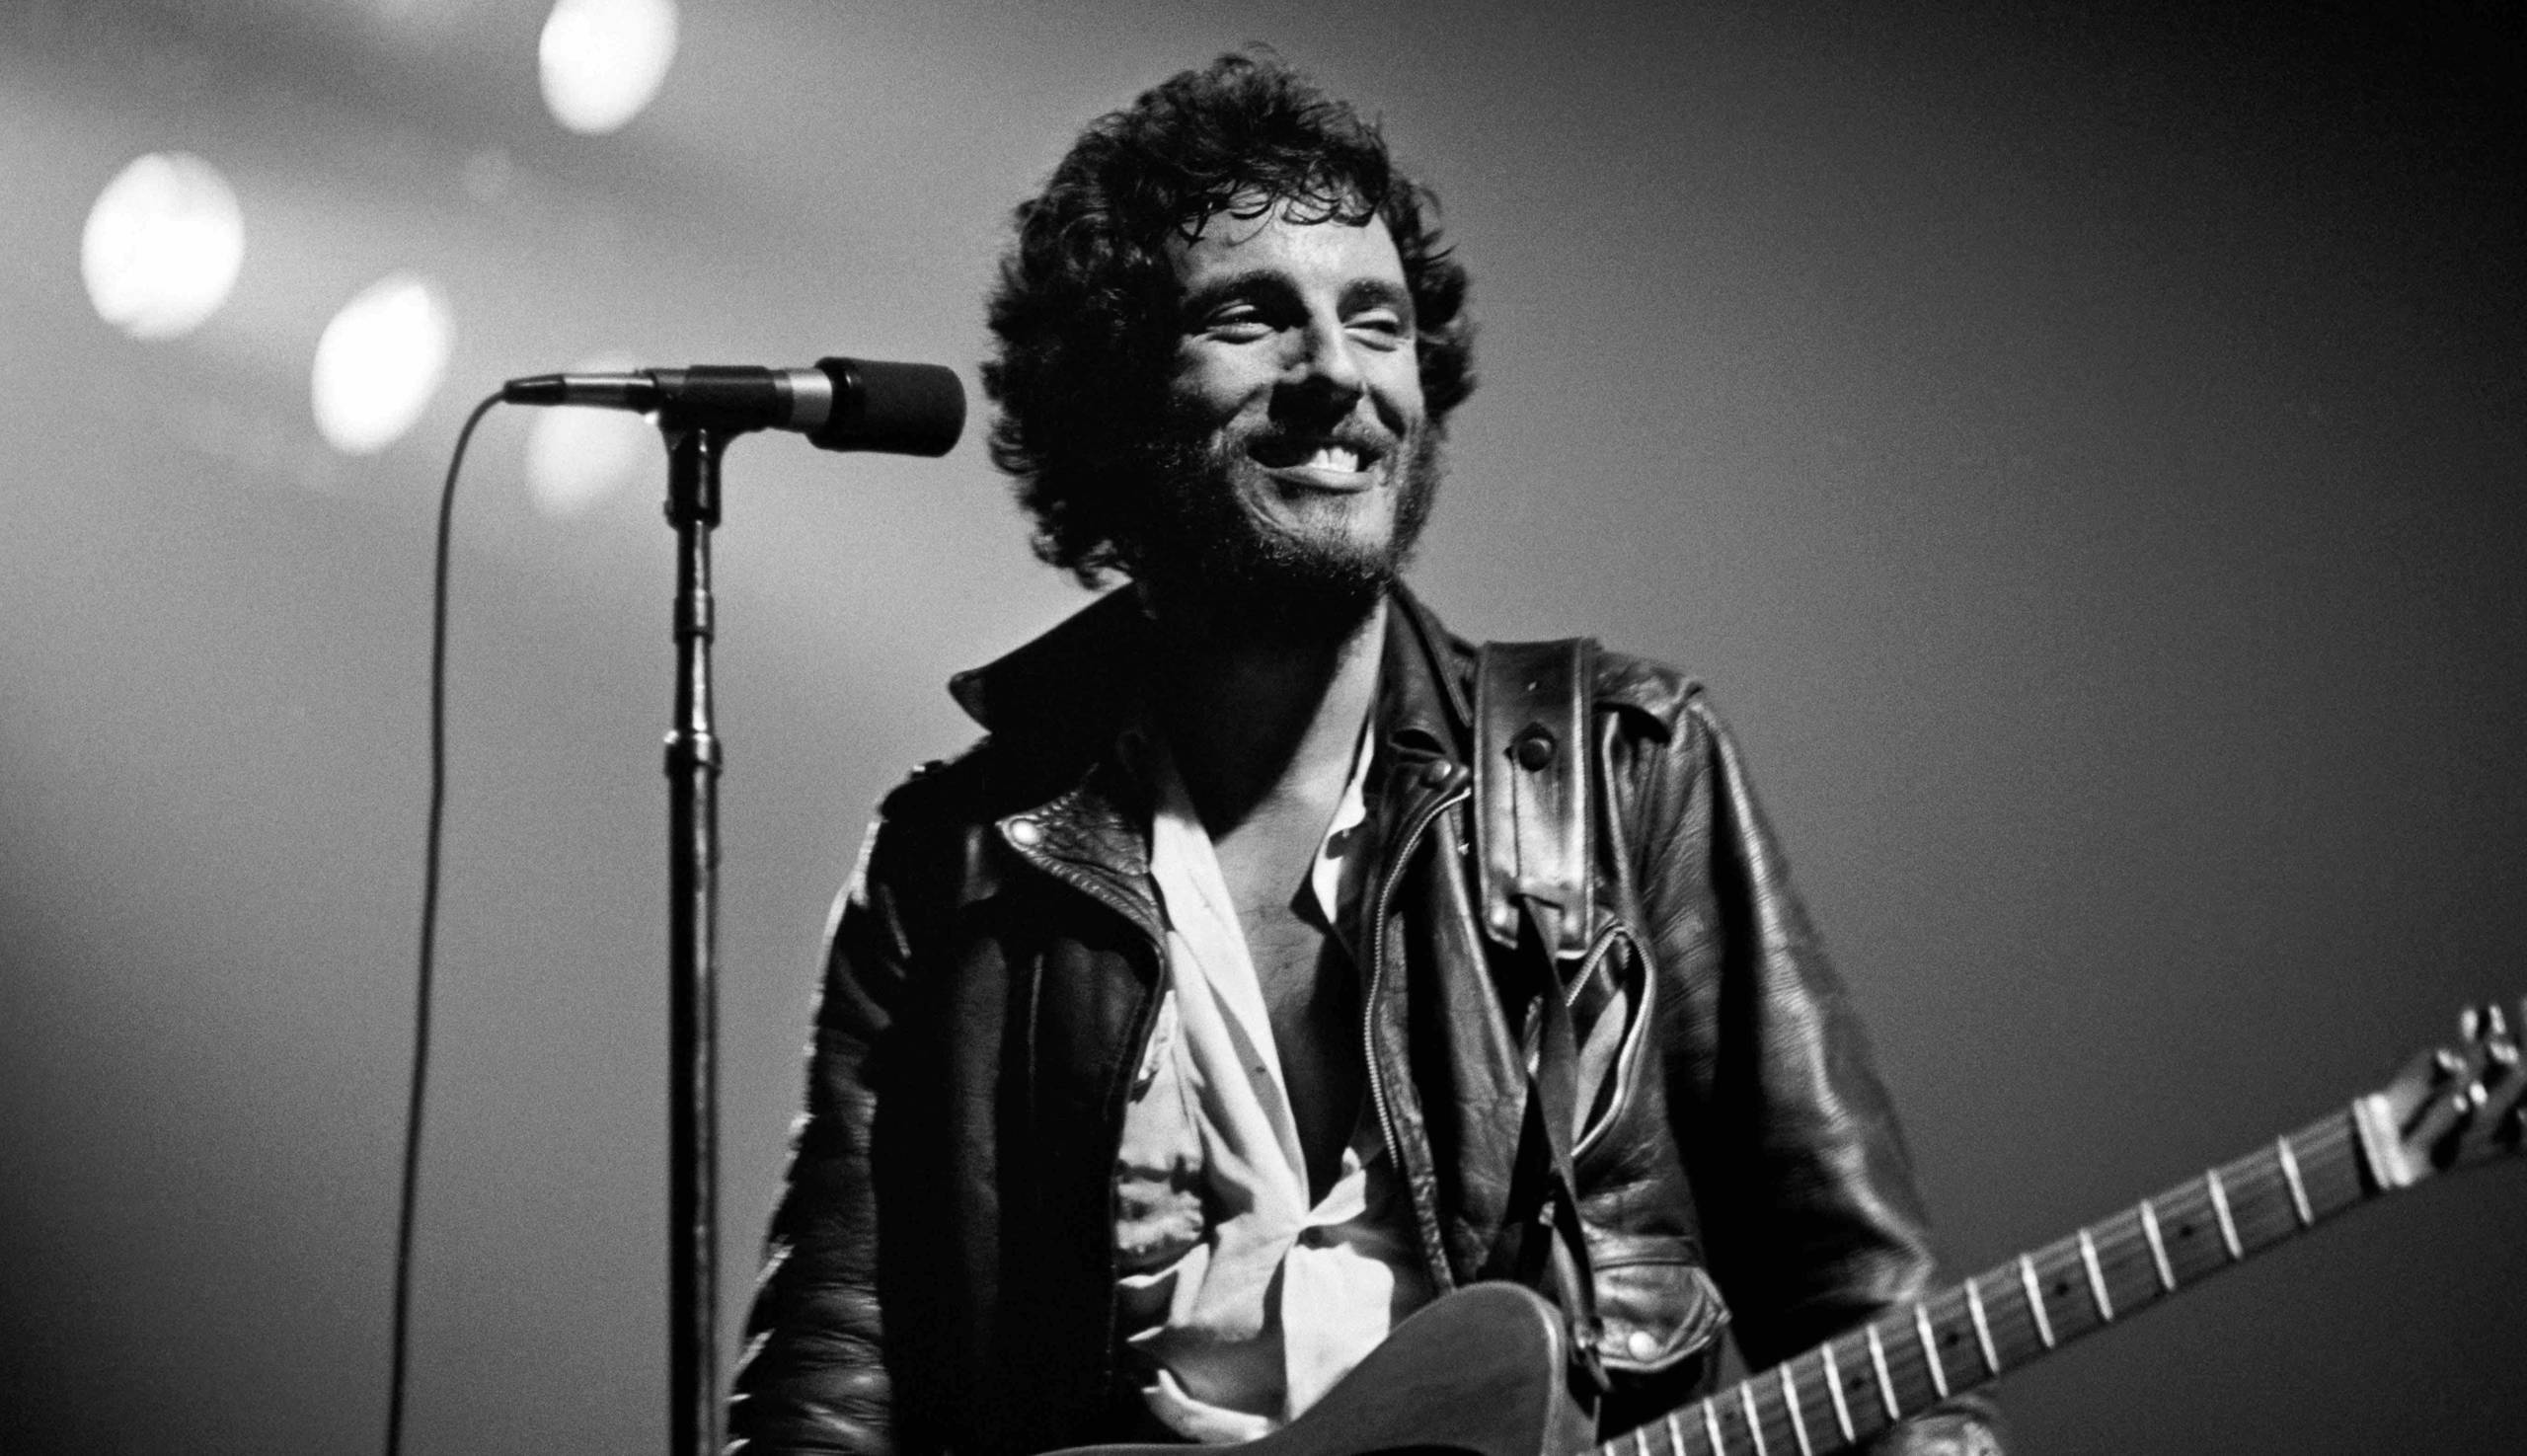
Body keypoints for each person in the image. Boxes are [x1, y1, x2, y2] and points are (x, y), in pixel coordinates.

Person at [728, 52, 2002, 1456]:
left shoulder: (1622, 776)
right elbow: (829, 1381)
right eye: (1253, 316)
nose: (1336, 370)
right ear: (1110, 393)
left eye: (1375, 321)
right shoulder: (955, 866)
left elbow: (1869, 1316)